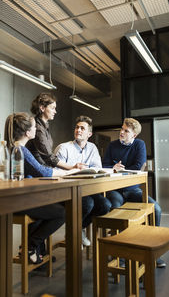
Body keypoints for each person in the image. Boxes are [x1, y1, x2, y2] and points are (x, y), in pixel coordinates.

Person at [102, 117, 166, 268]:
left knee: (156, 209)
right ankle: (121, 255)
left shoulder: (139, 144)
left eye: (126, 131)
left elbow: (138, 166)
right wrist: (113, 168)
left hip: (133, 190)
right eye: (122, 129)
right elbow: (104, 165)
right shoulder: (112, 145)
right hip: (115, 190)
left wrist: (120, 169)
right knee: (116, 212)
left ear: (134, 135)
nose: (122, 132)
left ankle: (152, 251)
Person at [4, 112, 66, 264]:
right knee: (62, 213)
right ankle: (29, 247)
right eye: (34, 127)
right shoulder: (22, 150)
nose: (37, 129)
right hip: (20, 202)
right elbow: (42, 171)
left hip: (18, 199)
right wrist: (68, 171)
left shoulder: (14, 148)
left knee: (45, 211)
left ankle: (36, 252)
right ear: (27, 132)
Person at [54, 115, 111, 246]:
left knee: (105, 205)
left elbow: (97, 168)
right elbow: (54, 171)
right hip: (67, 191)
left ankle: (77, 230)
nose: (78, 130)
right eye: (77, 127)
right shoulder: (63, 148)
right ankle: (74, 232)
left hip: (87, 189)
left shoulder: (92, 148)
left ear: (89, 134)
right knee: (88, 204)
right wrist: (73, 169)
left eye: (82, 128)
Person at [26, 92, 69, 170]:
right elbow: (49, 157)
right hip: (36, 172)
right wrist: (71, 167)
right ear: (42, 108)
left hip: (41, 169)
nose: (55, 111)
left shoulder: (44, 126)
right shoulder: (38, 128)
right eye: (52, 108)